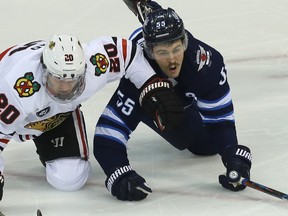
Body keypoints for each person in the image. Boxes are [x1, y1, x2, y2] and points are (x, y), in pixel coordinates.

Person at [93, 0, 252, 201]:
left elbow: (221, 122)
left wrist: (233, 156)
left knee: (208, 146)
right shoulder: (136, 73)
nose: (172, 59)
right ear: (150, 51)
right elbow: (106, 136)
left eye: (177, 49)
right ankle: (151, 14)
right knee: (186, 135)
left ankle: (150, 9)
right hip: (150, 79)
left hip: (180, 78)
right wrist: (119, 174)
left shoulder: (205, 65)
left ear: (185, 41)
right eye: (162, 53)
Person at [0, 33, 183, 200]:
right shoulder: (18, 89)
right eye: (59, 80)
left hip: (56, 118)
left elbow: (129, 54)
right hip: (15, 118)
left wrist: (151, 84)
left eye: (72, 80)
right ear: (45, 72)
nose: (65, 88)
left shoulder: (95, 62)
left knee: (70, 179)